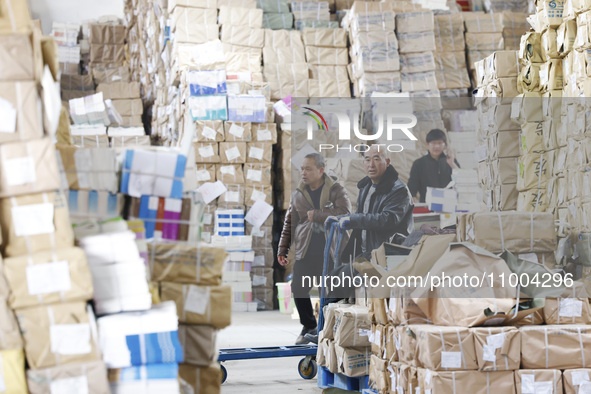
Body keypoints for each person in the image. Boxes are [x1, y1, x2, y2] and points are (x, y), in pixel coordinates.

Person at [277, 153, 351, 345]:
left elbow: (345, 214)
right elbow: (290, 223)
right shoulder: (299, 194)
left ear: (320, 170)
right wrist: (283, 249)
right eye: (302, 169)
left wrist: (317, 215)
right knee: (298, 288)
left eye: (308, 169)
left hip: (332, 252)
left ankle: (327, 330)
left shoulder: (336, 190)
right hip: (306, 251)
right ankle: (309, 325)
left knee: (332, 293)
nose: (303, 173)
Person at [329, 145, 414, 262]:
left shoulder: (399, 190)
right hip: (367, 254)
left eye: (376, 159)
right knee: (337, 277)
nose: (371, 165)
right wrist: (339, 218)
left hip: (389, 255)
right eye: (367, 160)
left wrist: (352, 220)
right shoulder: (366, 186)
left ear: (387, 162)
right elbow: (360, 214)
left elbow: (387, 219)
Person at [407, 128, 460, 203]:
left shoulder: (451, 161)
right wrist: (413, 199)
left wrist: (452, 164)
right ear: (427, 144)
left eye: (440, 143)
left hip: (449, 205)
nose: (437, 146)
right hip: (427, 206)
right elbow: (411, 188)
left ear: (445, 145)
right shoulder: (419, 164)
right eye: (433, 143)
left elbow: (462, 180)